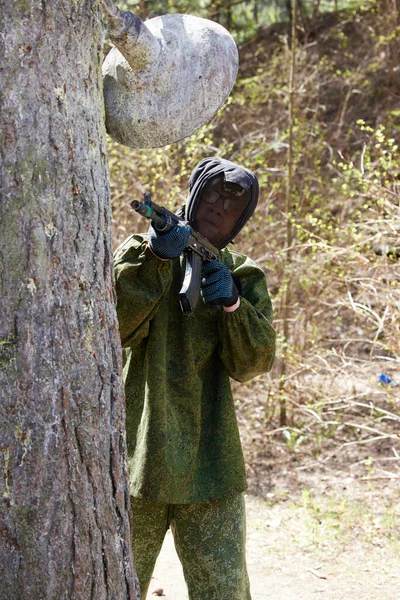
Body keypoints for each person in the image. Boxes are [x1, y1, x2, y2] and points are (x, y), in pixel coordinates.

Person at [114, 157, 276, 600]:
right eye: (213, 194)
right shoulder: (140, 253)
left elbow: (254, 364)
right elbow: (113, 328)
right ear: (194, 193)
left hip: (212, 468)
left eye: (232, 204)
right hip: (136, 461)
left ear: (242, 219)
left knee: (223, 590)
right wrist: (155, 259)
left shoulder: (242, 274)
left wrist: (232, 307)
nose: (219, 207)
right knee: (114, 584)